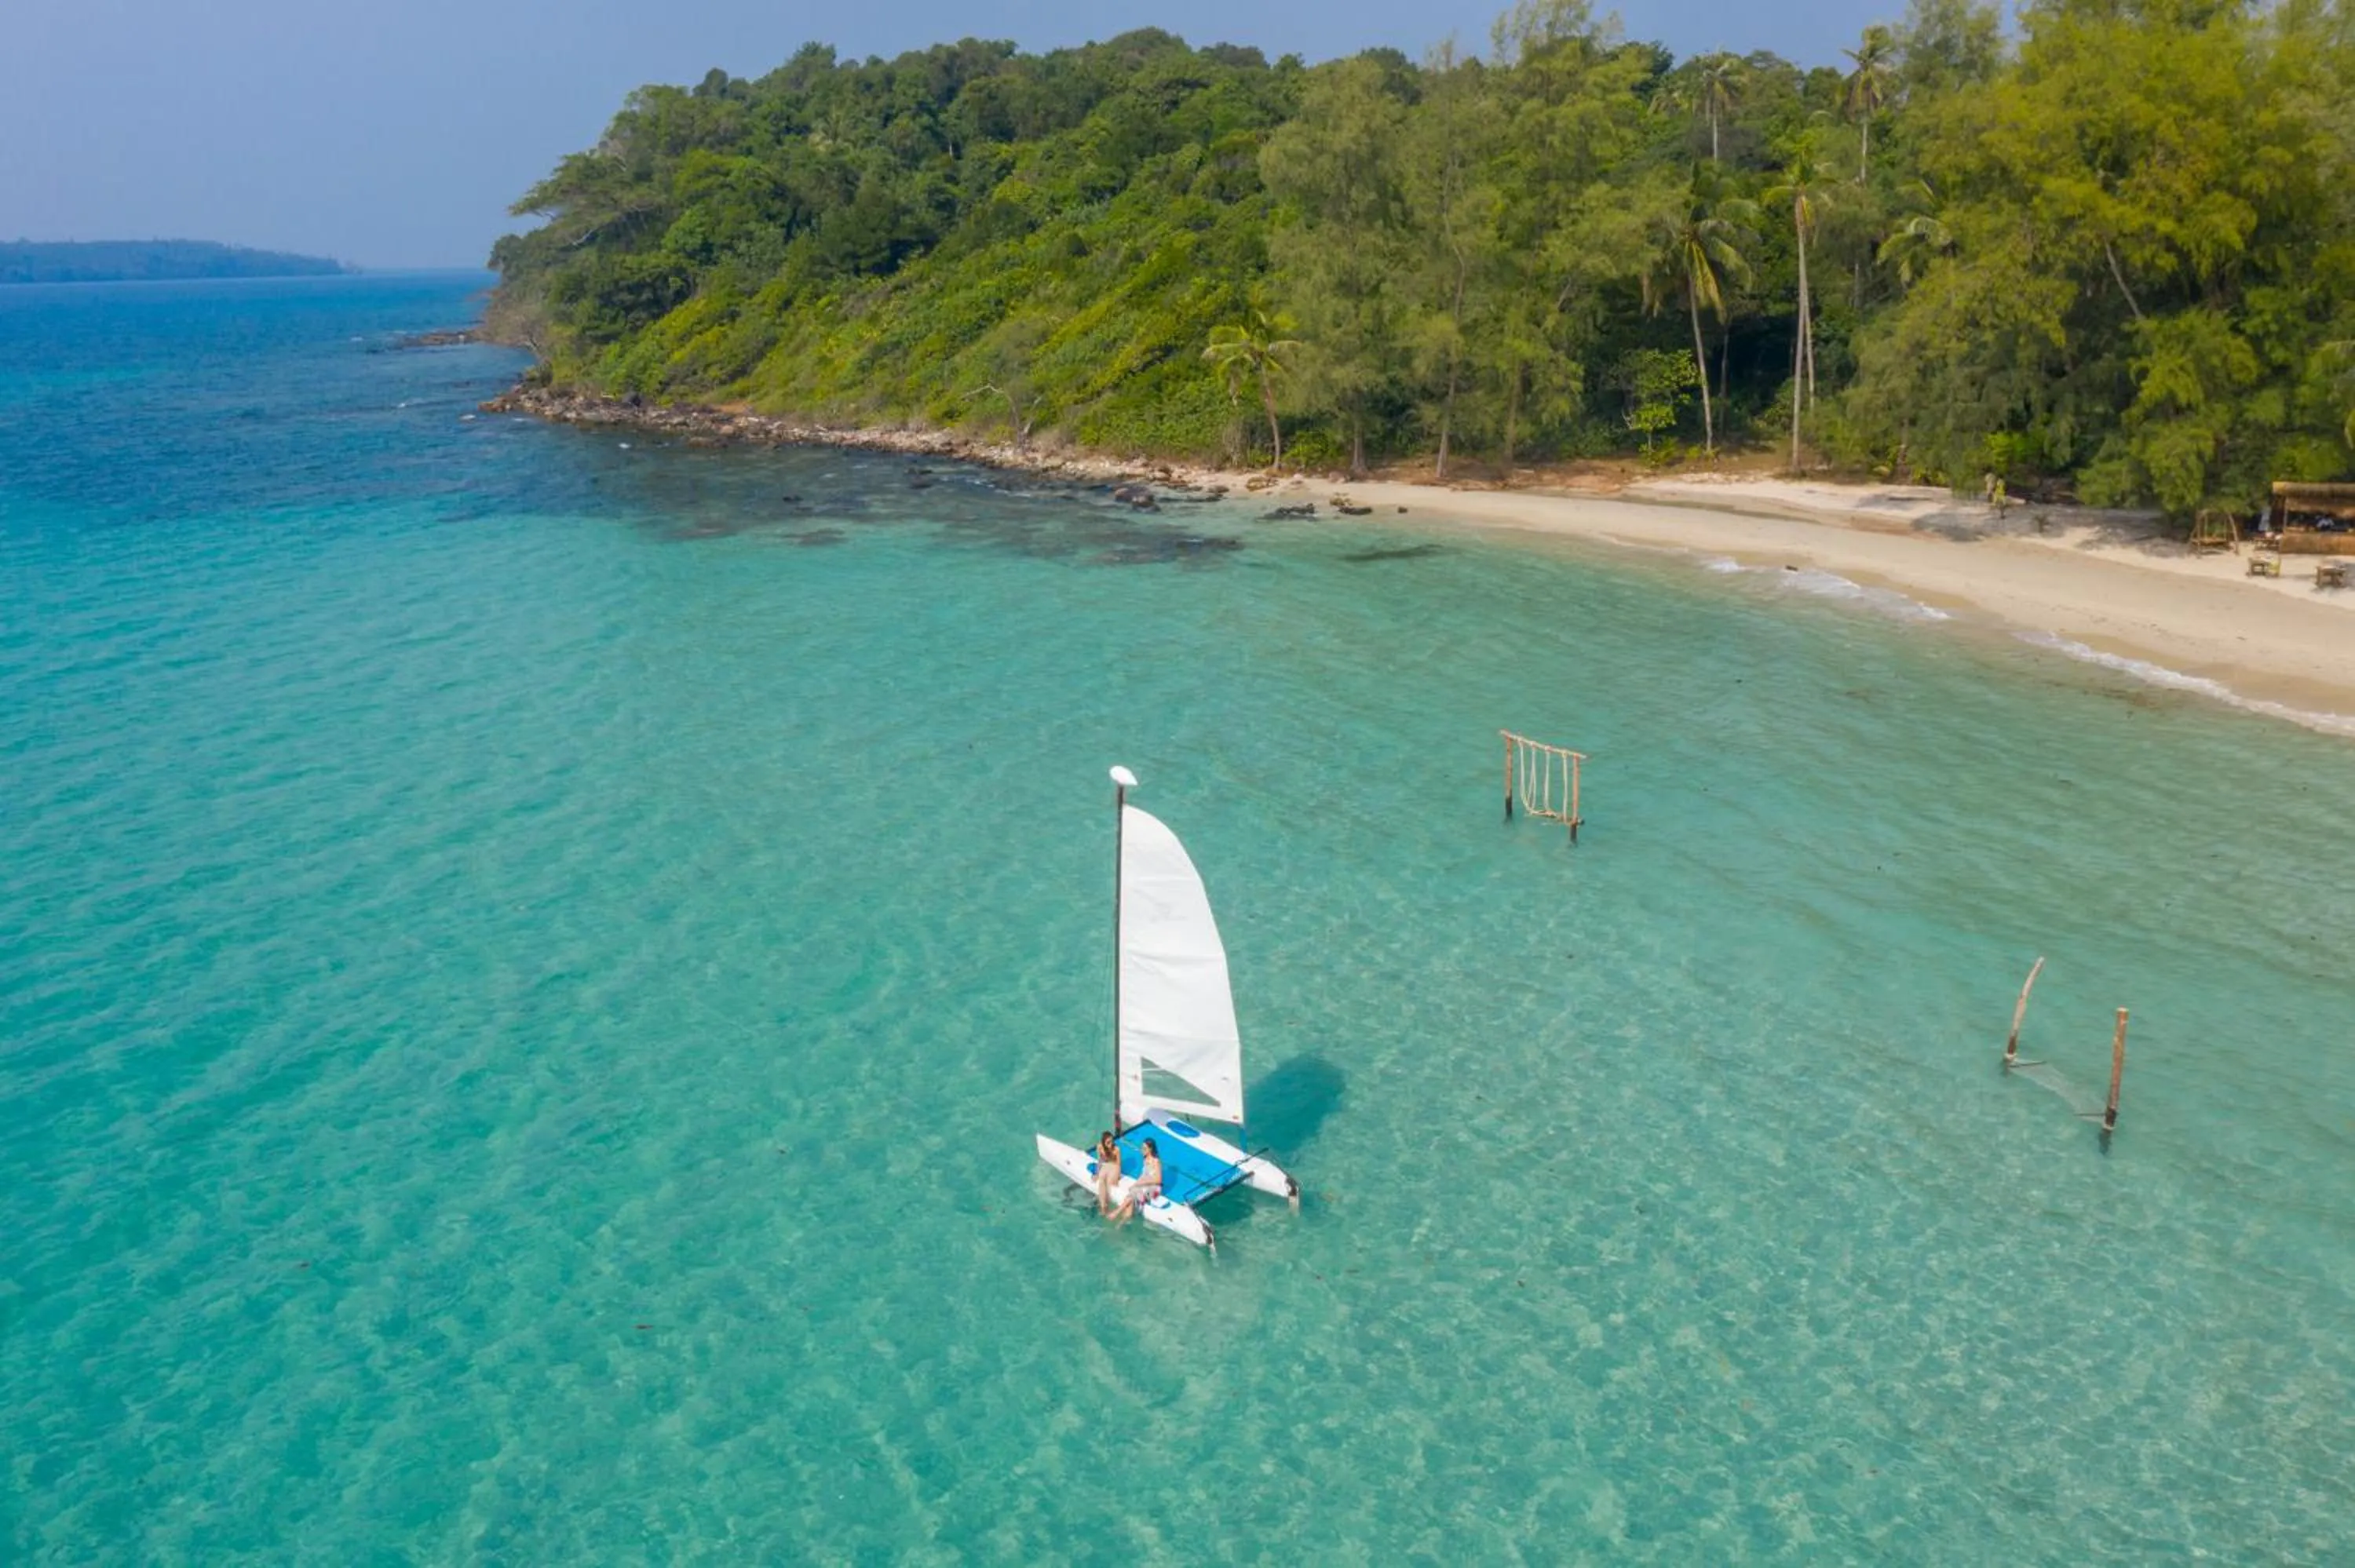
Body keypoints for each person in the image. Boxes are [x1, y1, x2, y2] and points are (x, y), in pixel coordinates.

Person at [1112, 1138, 1162, 1224]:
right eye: (1142, 1148)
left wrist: (1142, 1183)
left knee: (1131, 1197)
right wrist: (1136, 1184)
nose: (1142, 1150)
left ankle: (1116, 1212)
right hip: (1145, 1185)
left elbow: (1158, 1180)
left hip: (1154, 1188)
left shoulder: (1156, 1161)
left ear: (1151, 1149)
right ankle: (1121, 1224)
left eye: (1145, 1148)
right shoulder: (1145, 1159)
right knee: (1129, 1200)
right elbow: (1143, 1175)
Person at [1093, 1130, 1121, 1216]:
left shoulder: (1116, 1150)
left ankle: (1107, 1204)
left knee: (1109, 1182)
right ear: (1103, 1142)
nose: (1111, 1144)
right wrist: (1097, 1174)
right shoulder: (1100, 1147)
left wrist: (1117, 1177)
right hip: (1107, 1165)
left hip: (1114, 1166)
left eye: (1112, 1141)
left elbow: (1118, 1165)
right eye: (1108, 1142)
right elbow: (1100, 1161)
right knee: (1101, 1179)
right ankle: (1103, 1206)